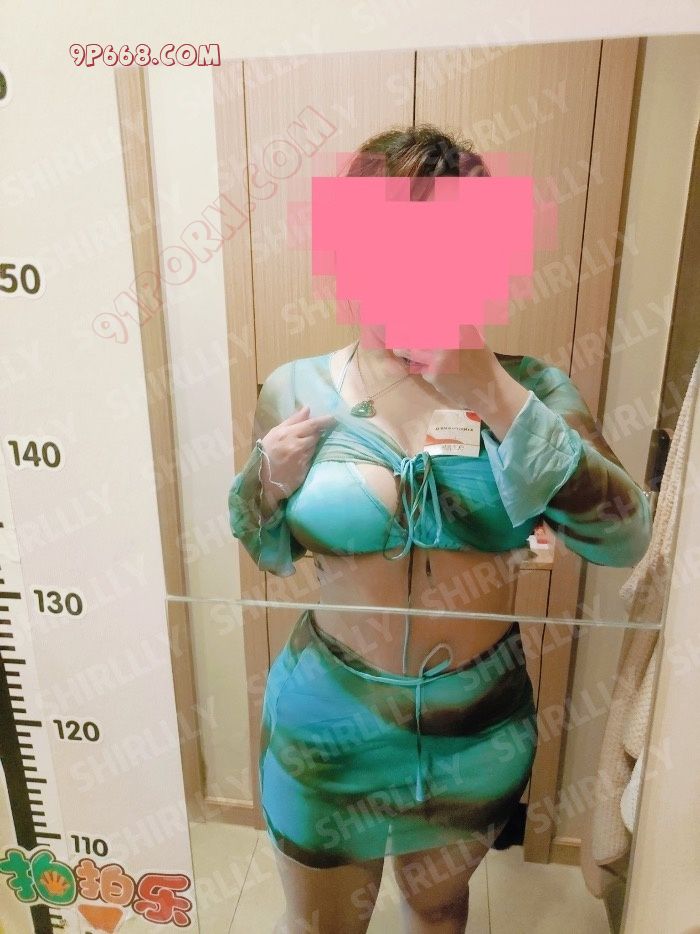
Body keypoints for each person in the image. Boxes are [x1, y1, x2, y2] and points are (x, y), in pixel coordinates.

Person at [228, 125, 652, 934]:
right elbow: (263, 545)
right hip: (327, 723)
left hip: (477, 732)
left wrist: (490, 390)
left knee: (437, 911)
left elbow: (626, 538)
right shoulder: (295, 388)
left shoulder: (535, 391)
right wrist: (265, 481)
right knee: (321, 928)